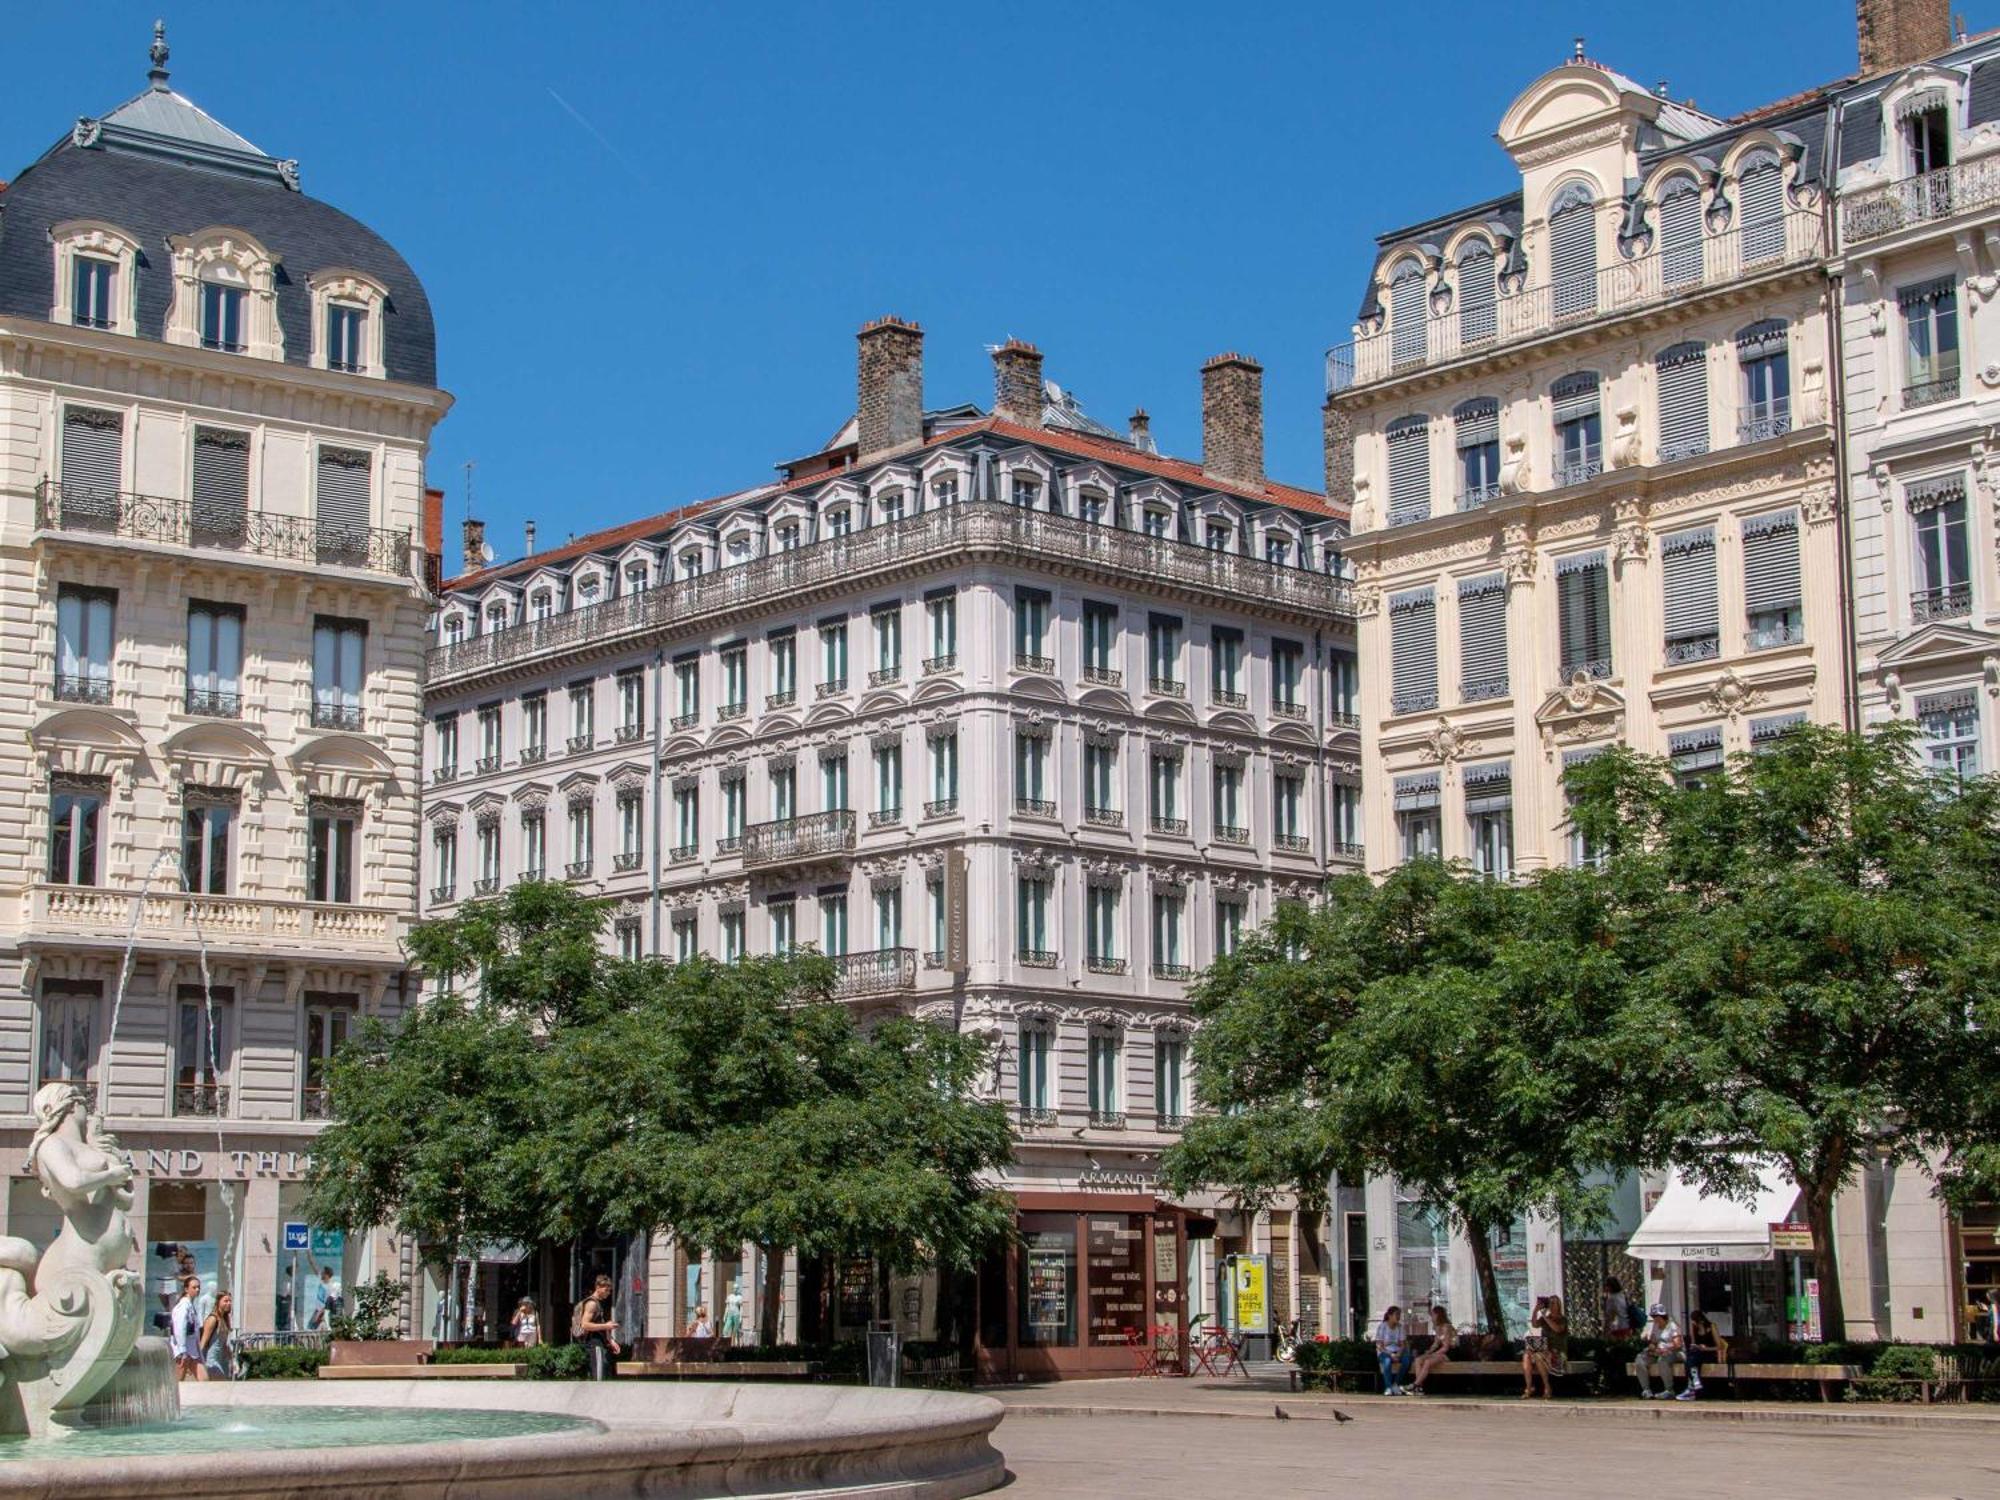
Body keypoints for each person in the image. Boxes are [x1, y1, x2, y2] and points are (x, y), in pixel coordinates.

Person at [575, 1274, 621, 1380]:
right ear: (598, 1287)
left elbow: (601, 1326)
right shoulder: (592, 1303)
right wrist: (606, 1325)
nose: (608, 1293)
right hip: (594, 1344)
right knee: (598, 1377)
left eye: (609, 1291)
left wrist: (611, 1341)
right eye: (606, 1290)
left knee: (602, 1375)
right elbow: (585, 1324)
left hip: (599, 1344)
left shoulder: (599, 1304)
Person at [1521, 1294, 1569, 1399]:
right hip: (1544, 1349)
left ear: (1558, 1305)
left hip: (1557, 1352)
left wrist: (1545, 1317)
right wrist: (1535, 1310)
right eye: (1549, 1303)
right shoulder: (1545, 1318)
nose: (1551, 1306)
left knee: (1538, 1356)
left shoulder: (1562, 1319)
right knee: (1526, 1355)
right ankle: (1529, 1387)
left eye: (1553, 1303)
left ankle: (1547, 1387)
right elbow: (1534, 1324)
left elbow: (1557, 1329)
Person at [1634, 1304, 1685, 1398]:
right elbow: (1653, 1342)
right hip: (1658, 1352)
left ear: (1663, 1316)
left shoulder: (1672, 1326)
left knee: (1663, 1360)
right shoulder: (1655, 1327)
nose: (1655, 1319)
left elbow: (1678, 1344)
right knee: (1640, 1359)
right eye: (1653, 1316)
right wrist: (1652, 1347)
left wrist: (1665, 1348)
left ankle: (1669, 1390)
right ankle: (1646, 1390)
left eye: (1657, 1316)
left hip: (1674, 1352)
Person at [1408, 1306, 1455, 1393]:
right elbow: (1436, 1343)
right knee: (1418, 1360)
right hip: (1440, 1352)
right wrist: (1428, 1352)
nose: (1431, 1317)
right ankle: (1419, 1388)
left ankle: (1415, 1385)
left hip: (1449, 1353)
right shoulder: (1437, 1327)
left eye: (1433, 1315)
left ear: (1438, 1315)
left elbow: (1446, 1347)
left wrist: (1433, 1355)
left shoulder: (1447, 1327)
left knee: (1427, 1362)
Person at [1372, 1305, 1413, 1395]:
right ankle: (1388, 1387)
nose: (1398, 1317)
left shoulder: (1400, 1327)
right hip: (1385, 1352)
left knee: (1406, 1360)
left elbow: (1403, 1344)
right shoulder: (1382, 1327)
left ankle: (1396, 1384)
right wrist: (1390, 1354)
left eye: (1399, 1315)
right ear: (1390, 1316)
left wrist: (1398, 1354)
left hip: (1397, 1352)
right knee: (1387, 1361)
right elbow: (1379, 1345)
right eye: (1396, 1314)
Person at [170, 1274, 203, 1382]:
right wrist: (183, 1351)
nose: (197, 1290)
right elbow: (180, 1329)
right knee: (178, 1382)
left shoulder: (190, 1305)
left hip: (192, 1351)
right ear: (186, 1289)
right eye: (194, 1287)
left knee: (203, 1379)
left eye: (198, 1287)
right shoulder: (183, 1306)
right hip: (183, 1351)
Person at [1681, 1310, 1719, 1400]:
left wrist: (1705, 1348)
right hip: (1698, 1353)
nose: (1695, 1324)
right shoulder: (1694, 1327)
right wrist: (1696, 1347)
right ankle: (1695, 1383)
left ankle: (1693, 1385)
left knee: (1690, 1360)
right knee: (1691, 1357)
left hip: (1710, 1352)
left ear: (1701, 1320)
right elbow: (1693, 1344)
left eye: (1696, 1322)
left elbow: (1719, 1346)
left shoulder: (1711, 1326)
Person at [199, 1290, 234, 1382]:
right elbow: (204, 1340)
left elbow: (224, 1344)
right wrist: (198, 1362)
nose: (229, 1303)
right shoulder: (213, 1319)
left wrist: (232, 1360)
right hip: (211, 1361)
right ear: (218, 1302)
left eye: (230, 1301)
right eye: (225, 1301)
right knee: (221, 1385)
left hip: (222, 1360)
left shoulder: (224, 1320)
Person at [308, 1262, 343, 1331]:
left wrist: (319, 1314)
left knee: (316, 1329)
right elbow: (314, 1266)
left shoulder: (330, 1287)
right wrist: (309, 1253)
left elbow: (327, 1303)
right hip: (318, 1310)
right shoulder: (321, 1281)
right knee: (311, 1328)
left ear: (326, 1275)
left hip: (322, 1312)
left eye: (323, 1273)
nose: (321, 1273)